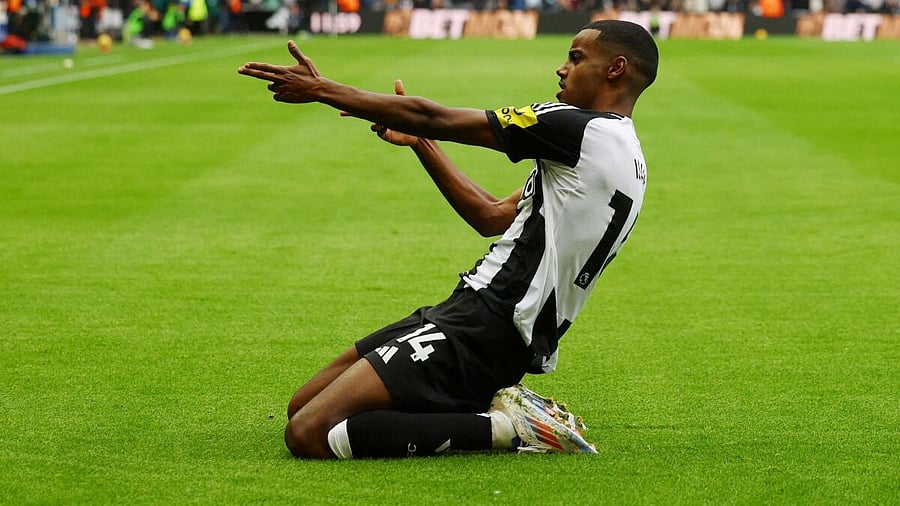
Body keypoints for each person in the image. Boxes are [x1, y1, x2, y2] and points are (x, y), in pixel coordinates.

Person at [238, 19, 658, 459]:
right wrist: (423, 144)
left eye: (576, 58)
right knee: (302, 405)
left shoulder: (577, 128)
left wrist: (321, 89)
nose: (561, 68)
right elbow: (490, 214)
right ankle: (478, 412)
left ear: (616, 69)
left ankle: (509, 429)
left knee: (308, 433)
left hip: (488, 325)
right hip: (475, 314)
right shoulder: (624, 154)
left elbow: (433, 116)